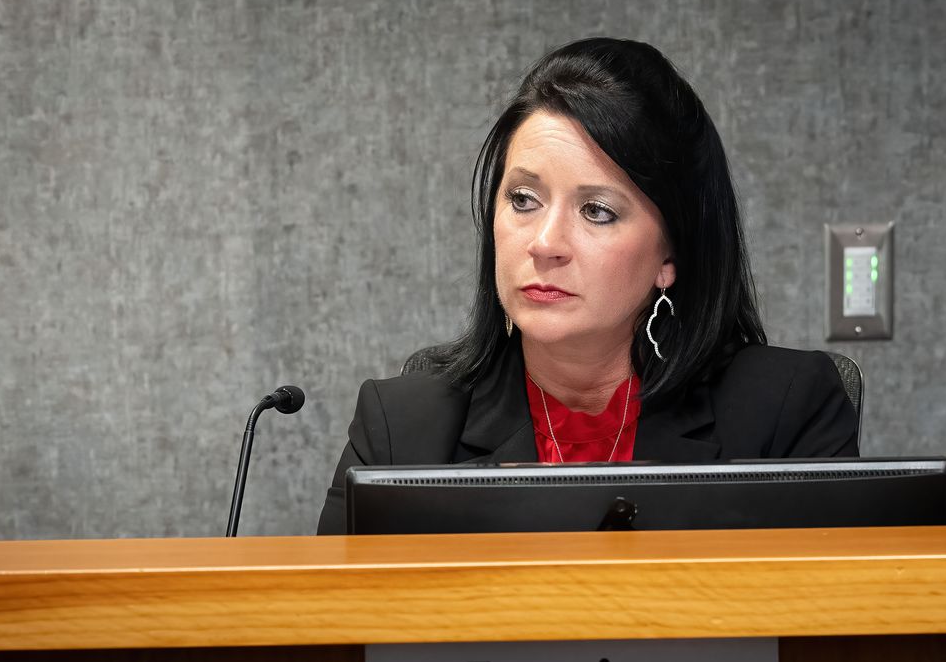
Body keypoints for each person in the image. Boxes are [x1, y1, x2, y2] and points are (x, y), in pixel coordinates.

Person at [318, 38, 857, 535]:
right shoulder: (399, 429)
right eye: (523, 200)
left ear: (670, 256)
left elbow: (824, 630)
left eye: (596, 210)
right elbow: (334, 629)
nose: (545, 243)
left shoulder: (785, 411)